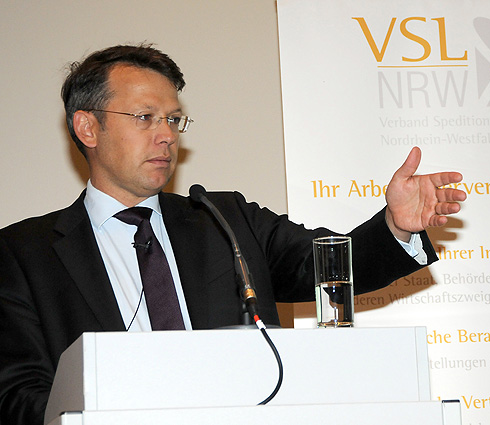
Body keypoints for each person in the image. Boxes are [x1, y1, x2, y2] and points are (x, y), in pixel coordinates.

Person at [0, 44, 466, 425]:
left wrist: (394, 225)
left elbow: (325, 267)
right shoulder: (23, 254)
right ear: (88, 127)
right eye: (145, 117)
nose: (167, 135)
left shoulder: (223, 219)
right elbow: (18, 395)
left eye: (173, 119)